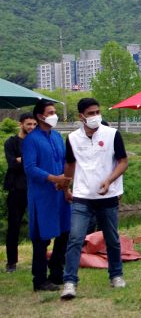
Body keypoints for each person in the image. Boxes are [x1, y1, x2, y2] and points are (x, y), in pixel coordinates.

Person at [59, 98, 129, 300]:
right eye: (91, 113)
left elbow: (123, 162)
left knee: (112, 239)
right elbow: (70, 164)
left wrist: (110, 181)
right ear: (81, 116)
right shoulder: (72, 138)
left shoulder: (112, 134)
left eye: (98, 111)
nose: (95, 116)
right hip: (82, 196)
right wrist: (66, 186)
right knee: (75, 238)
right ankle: (70, 282)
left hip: (107, 196)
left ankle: (116, 275)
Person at [22, 100, 71, 291]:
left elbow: (64, 162)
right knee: (41, 238)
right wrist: (53, 178)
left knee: (65, 231)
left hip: (59, 193)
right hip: (42, 195)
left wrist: (66, 186)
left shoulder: (57, 136)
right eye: (51, 112)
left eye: (54, 112)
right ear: (40, 116)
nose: (54, 115)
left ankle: (57, 271)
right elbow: (30, 168)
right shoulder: (31, 140)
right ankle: (40, 279)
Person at [3, 112, 36, 273]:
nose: (31, 127)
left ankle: (40, 257)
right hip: (17, 188)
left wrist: (21, 159)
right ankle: (11, 262)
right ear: (21, 124)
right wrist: (27, 160)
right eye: (29, 124)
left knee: (38, 223)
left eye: (34, 124)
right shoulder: (11, 142)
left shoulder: (36, 142)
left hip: (34, 187)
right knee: (14, 225)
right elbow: (12, 165)